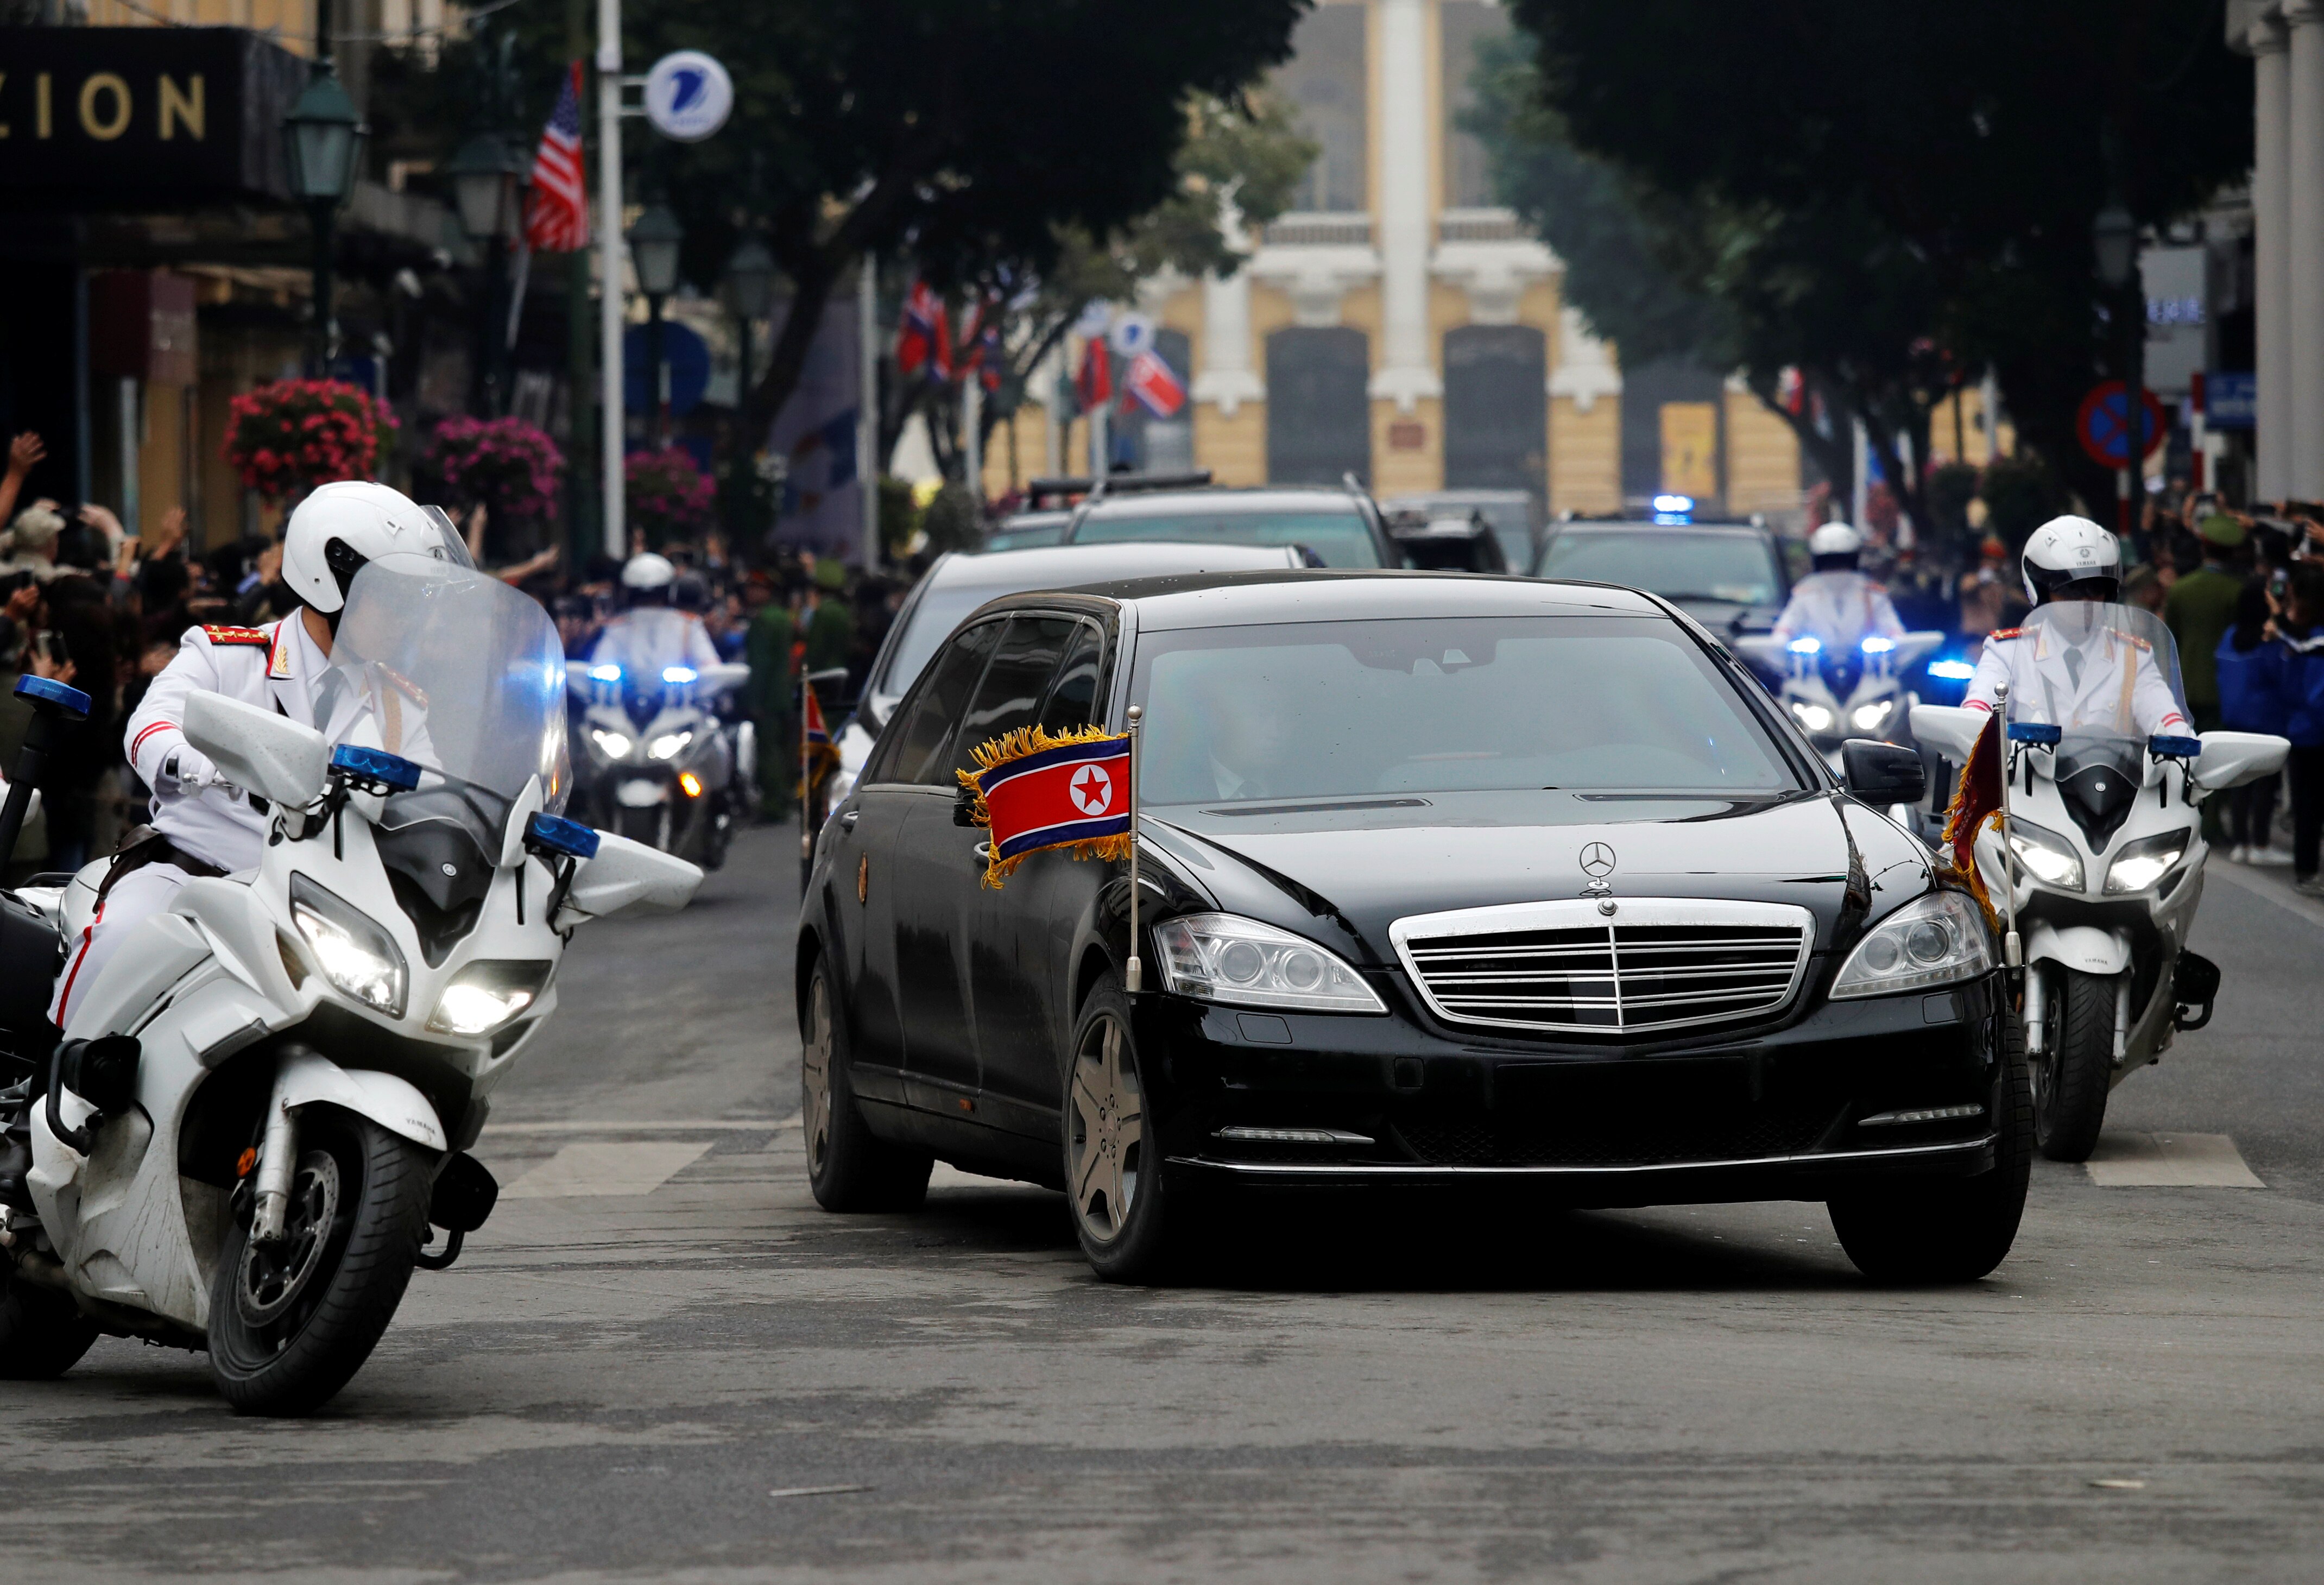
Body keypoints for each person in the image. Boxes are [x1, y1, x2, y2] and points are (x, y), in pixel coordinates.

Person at [47, 481, 465, 1030]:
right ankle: (52, 1092)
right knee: (121, 939)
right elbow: (148, 729)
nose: (408, 619)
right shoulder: (228, 657)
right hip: (192, 877)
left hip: (322, 911)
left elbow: (433, 799)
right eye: (392, 600)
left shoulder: (397, 705)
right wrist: (205, 765)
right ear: (329, 583)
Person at [1963, 514, 2191, 740]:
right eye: (2069, 590)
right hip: (2028, 777)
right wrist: (1969, 731)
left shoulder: (2133, 656)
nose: (2084, 601)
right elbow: (1976, 716)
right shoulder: (2008, 652)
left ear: (2109, 592)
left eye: (2095, 588)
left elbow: (2169, 723)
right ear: (2041, 591)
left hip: (2109, 776)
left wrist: (2188, 745)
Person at [2217, 578, 2291, 866]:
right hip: (2267, 722)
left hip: (2235, 717)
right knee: (2264, 785)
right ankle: (2260, 843)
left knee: (2240, 785)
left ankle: (2240, 843)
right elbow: (2280, 675)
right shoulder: (2270, 639)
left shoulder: (2230, 635)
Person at [1772, 522, 1906, 651]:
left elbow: (1895, 633)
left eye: (1842, 562)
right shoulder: (1805, 595)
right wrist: (1782, 643)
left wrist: (1894, 642)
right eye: (1828, 563)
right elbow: (1784, 631)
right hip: (1815, 669)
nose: (1836, 571)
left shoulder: (1872, 594)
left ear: (1854, 561)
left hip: (1867, 668)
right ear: (1818, 564)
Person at [2274, 563, 2324, 895]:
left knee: (2308, 805)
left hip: (2300, 729)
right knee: (2312, 805)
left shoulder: (2296, 642)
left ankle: (2305, 869)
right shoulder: (2310, 642)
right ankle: (2306, 870)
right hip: (2315, 732)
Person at [588, 552, 721, 676]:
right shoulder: (617, 626)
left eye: (655, 596)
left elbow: (710, 667)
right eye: (641, 597)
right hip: (623, 698)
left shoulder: (688, 624)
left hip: (679, 698)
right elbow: (599, 666)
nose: (649, 606)